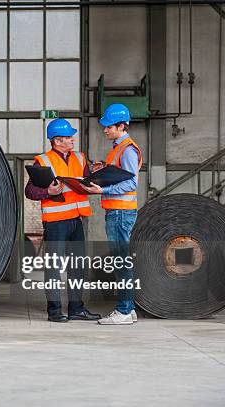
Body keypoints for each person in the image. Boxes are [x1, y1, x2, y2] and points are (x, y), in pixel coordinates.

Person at [25, 118, 101, 323]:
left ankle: (77, 308)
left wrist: (95, 172)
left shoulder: (80, 158)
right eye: (68, 137)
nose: (72, 140)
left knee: (77, 265)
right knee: (54, 266)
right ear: (57, 141)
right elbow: (30, 191)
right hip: (56, 221)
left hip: (77, 220)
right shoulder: (43, 161)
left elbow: (88, 180)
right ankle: (55, 310)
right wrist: (48, 191)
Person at [82, 104, 142, 325]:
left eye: (108, 126)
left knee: (121, 262)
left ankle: (124, 310)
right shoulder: (118, 147)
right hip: (117, 211)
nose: (105, 130)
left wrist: (102, 190)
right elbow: (120, 174)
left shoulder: (127, 149)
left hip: (120, 212)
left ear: (121, 125)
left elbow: (131, 182)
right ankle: (130, 309)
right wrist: (103, 169)